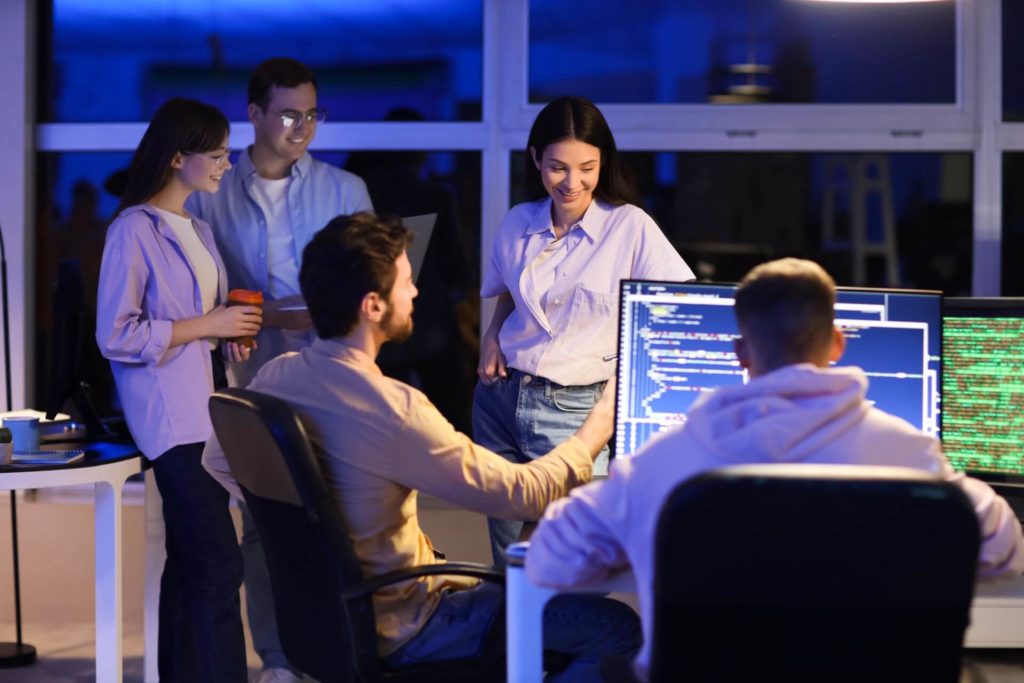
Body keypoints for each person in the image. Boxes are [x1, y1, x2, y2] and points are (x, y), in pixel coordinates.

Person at [525, 257, 1024, 682]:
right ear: (837, 343)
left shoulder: (663, 464)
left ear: (740, 352)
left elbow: (549, 560)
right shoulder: (914, 460)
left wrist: (640, 539)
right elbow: (1007, 550)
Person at [203, 212, 642, 682]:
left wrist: (325, 533)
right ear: (373, 305)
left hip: (328, 620)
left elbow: (218, 462)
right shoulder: (394, 411)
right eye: (406, 281)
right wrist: (597, 425)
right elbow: (524, 493)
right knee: (618, 631)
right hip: (411, 626)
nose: (415, 293)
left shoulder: (276, 377)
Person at [187, 57, 373, 682]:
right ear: (255, 115)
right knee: (264, 522)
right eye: (290, 114)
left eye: (313, 113)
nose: (303, 127)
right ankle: (277, 658)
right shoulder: (211, 195)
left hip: (334, 372)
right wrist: (267, 319)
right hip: (252, 378)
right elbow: (201, 298)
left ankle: (344, 649)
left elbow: (370, 284)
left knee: (346, 514)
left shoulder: (345, 191)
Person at [475, 95, 695, 565]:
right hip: (498, 397)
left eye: (587, 167)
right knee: (509, 563)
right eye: (557, 167)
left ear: (603, 163)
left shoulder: (629, 227)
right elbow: (509, 293)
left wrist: (620, 392)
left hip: (573, 408)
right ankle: (512, 641)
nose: (572, 182)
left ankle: (585, 641)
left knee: (577, 561)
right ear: (535, 159)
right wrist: (490, 336)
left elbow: (674, 313)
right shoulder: (518, 221)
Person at [96, 97, 262, 682]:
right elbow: (115, 334)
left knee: (192, 567)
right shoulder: (132, 230)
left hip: (210, 413)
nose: (226, 163)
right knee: (218, 565)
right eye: (216, 154)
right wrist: (206, 327)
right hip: (171, 423)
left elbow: (195, 323)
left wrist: (226, 338)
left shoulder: (198, 228)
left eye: (226, 152)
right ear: (176, 158)